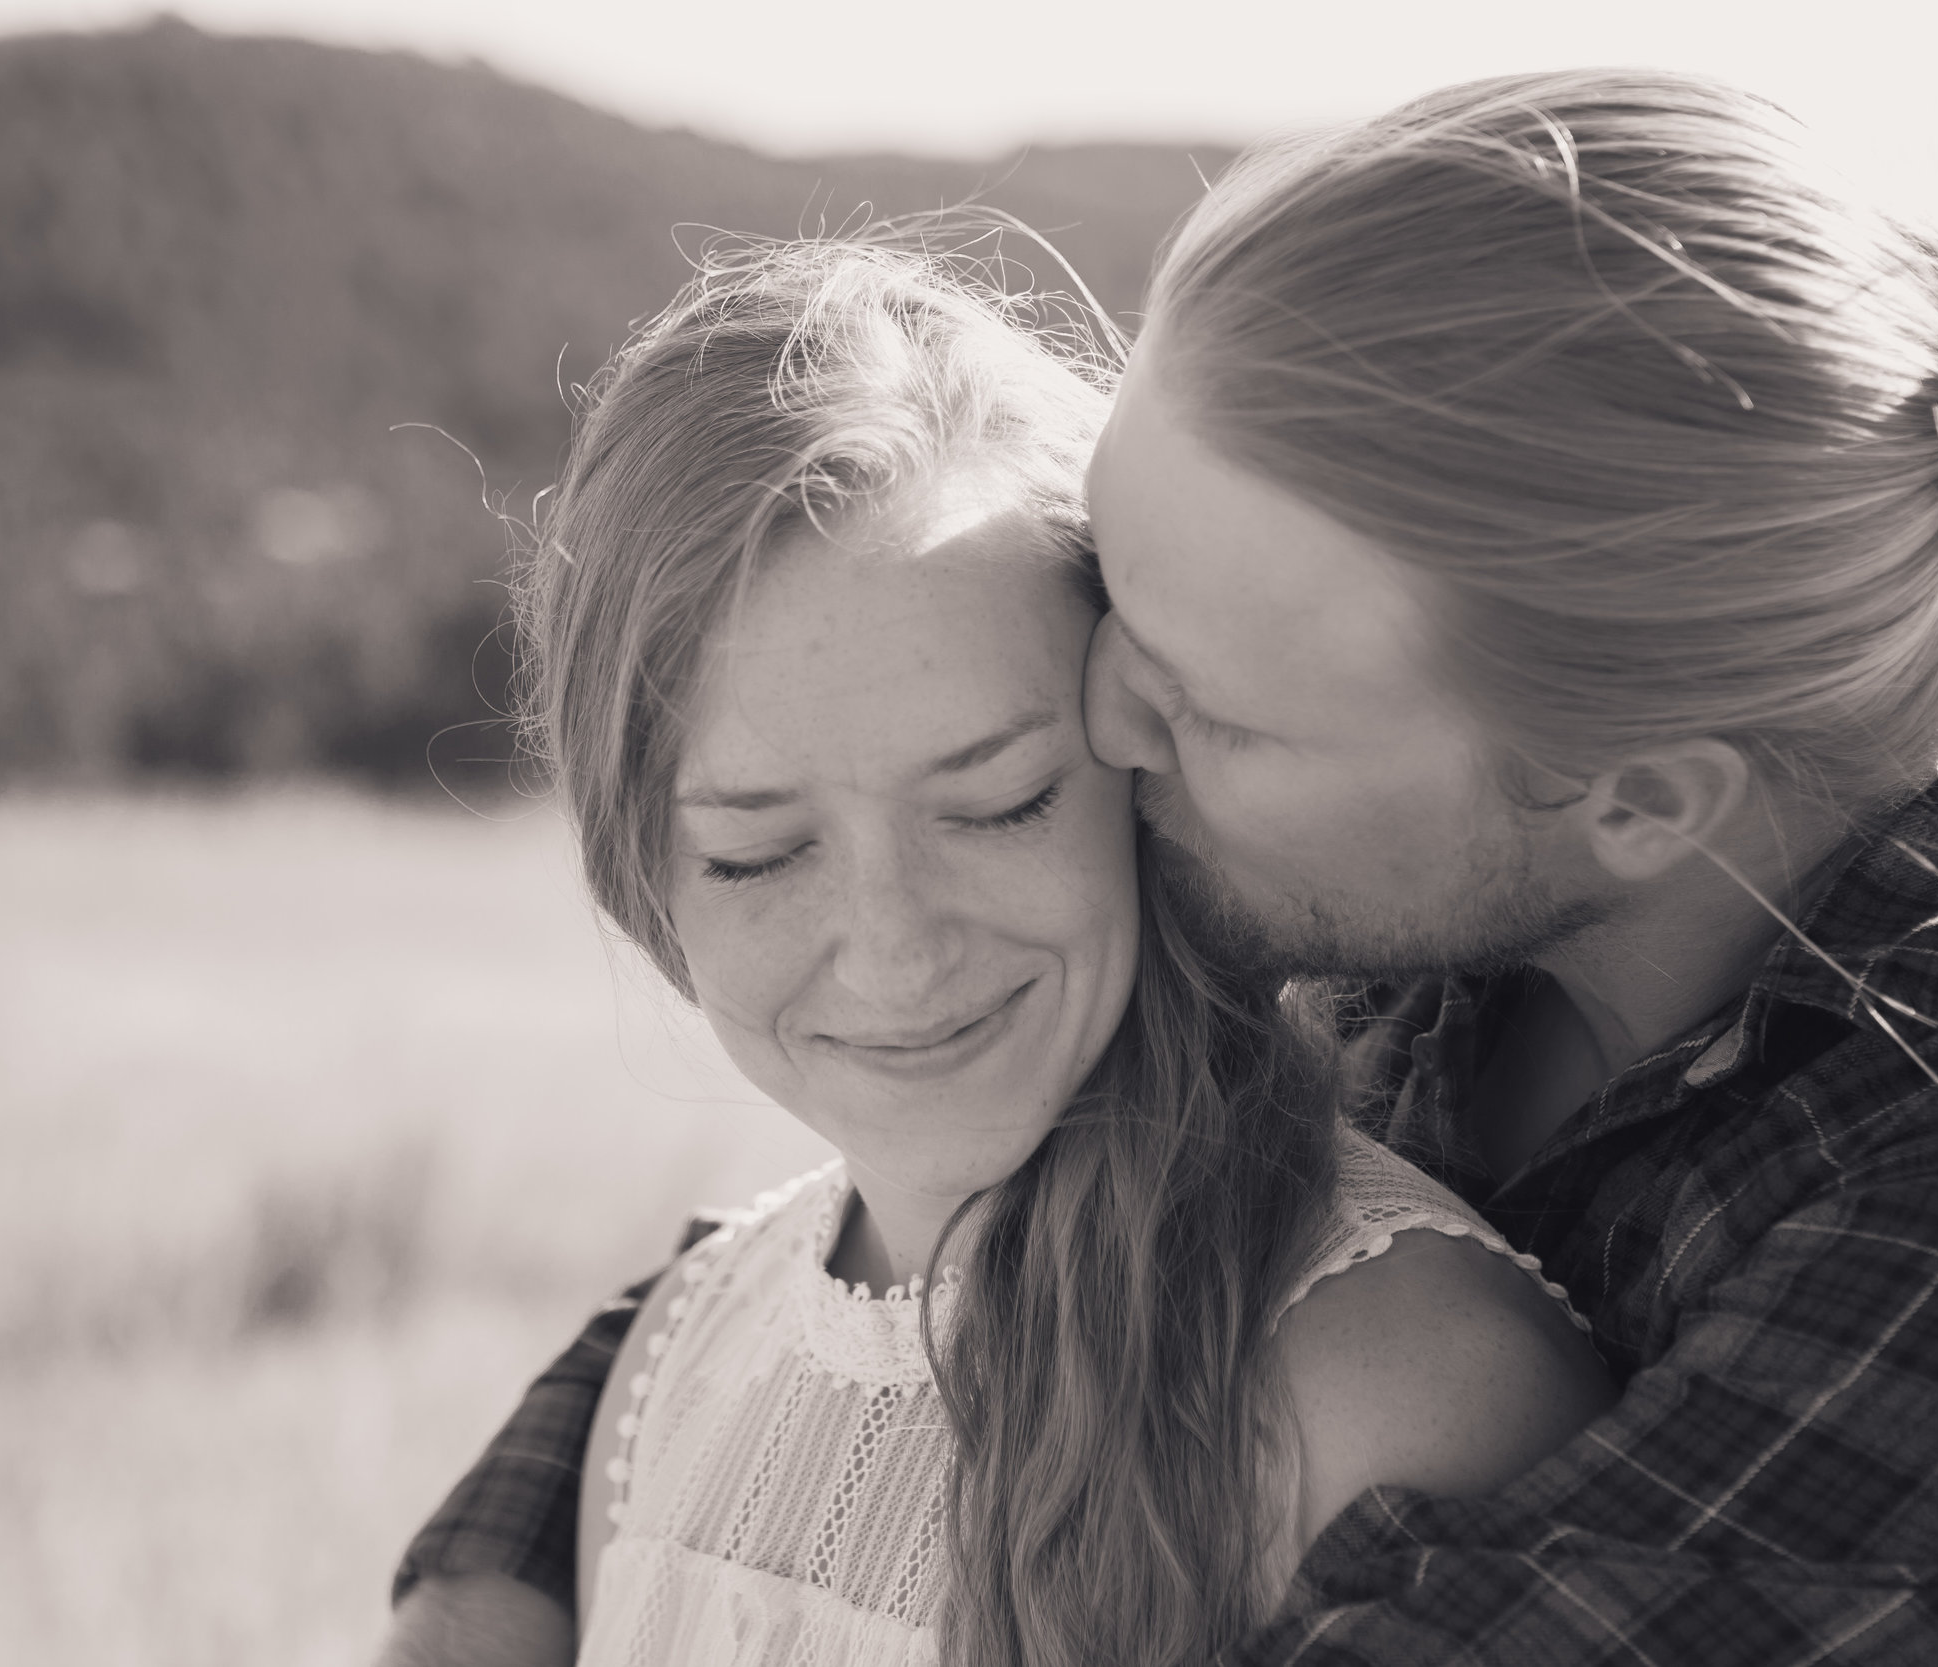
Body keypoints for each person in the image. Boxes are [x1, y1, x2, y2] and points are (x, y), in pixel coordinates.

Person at [390, 69, 1938, 1664]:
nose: (1103, 726)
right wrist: (539, 1519)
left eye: (1213, 710)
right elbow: (922, 1255)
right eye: (1111, 592)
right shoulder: (1454, 908)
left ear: (1631, 796)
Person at [380, 236, 1609, 1667]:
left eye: (998, 804)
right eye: (758, 852)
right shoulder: (673, 1361)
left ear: (1151, 776)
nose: (896, 954)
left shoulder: (1393, 1387)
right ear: (642, 869)